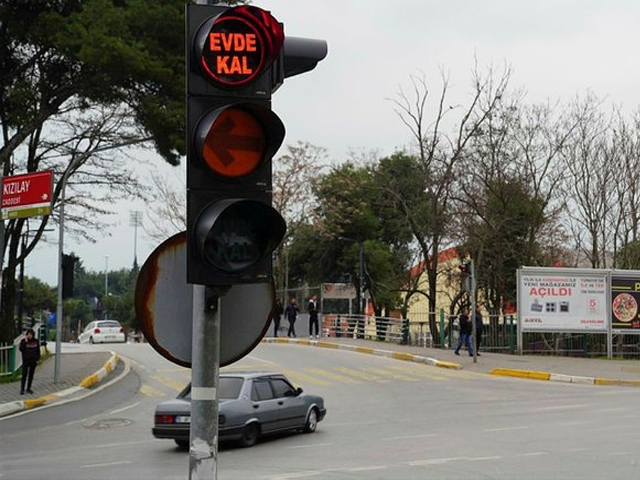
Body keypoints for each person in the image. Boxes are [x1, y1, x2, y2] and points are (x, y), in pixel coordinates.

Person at [19, 328, 41, 395]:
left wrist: (37, 358)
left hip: (33, 360)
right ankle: (22, 389)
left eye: (30, 334)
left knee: (31, 375)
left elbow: (38, 350)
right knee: (24, 374)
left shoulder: (36, 341)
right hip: (26, 360)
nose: (29, 336)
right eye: (28, 334)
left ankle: (28, 388)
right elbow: (21, 349)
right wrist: (25, 342)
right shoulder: (24, 341)